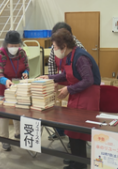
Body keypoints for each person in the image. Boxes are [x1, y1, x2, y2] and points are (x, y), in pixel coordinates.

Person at [40, 28, 101, 169]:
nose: (53, 50)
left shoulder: (80, 57)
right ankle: (75, 161)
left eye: (54, 47)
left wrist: (68, 89)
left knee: (79, 131)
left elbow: (88, 80)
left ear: (64, 46)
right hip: (77, 93)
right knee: (72, 130)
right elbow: (66, 75)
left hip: (87, 95)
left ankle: (80, 165)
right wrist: (49, 77)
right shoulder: (69, 57)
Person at [0, 30, 29, 151]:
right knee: (4, 114)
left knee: (17, 109)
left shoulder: (22, 53)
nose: (14, 48)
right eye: (12, 46)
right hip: (2, 86)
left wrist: (26, 73)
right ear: (6, 44)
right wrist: (4, 80)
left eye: (17, 45)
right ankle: (5, 139)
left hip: (17, 85)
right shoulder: (0, 54)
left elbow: (26, 67)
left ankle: (18, 133)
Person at [47, 22, 85, 141]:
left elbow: (83, 75)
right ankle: (60, 132)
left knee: (73, 113)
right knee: (58, 108)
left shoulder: (79, 48)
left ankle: (74, 138)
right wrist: (53, 80)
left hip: (76, 82)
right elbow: (52, 64)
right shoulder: (55, 47)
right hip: (62, 79)